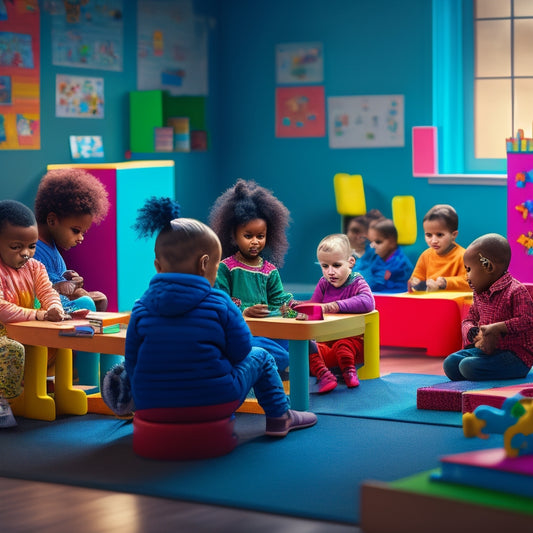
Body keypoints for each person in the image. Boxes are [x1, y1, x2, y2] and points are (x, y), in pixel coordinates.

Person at [114, 197, 317, 437]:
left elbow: (131, 360)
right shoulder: (220, 302)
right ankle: (280, 417)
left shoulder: (140, 307)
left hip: (152, 407)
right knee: (261, 356)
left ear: (158, 266)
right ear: (204, 264)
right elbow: (241, 351)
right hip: (214, 402)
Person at [208, 179, 295, 372]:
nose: (255, 242)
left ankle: (282, 362)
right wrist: (245, 311)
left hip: (267, 332)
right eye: (248, 236)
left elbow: (279, 301)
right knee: (260, 348)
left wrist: (293, 312)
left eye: (260, 236)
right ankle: (285, 363)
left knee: (294, 339)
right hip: (241, 332)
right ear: (233, 236)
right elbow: (221, 306)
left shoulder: (270, 271)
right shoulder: (225, 268)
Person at [0, 200, 67, 426]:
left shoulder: (35, 267)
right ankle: (3, 399)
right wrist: (38, 315)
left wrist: (54, 307)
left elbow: (47, 292)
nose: (26, 253)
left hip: (26, 330)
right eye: (16, 247)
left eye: (32, 245)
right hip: (4, 333)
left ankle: (38, 385)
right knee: (12, 350)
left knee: (63, 338)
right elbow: (1, 309)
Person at [443, 233, 533, 381]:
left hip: (515, 356)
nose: (467, 277)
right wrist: (471, 331)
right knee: (450, 363)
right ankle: (479, 369)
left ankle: (482, 370)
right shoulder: (479, 293)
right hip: (487, 352)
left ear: (488, 266)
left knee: (467, 366)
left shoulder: (516, 291)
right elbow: (469, 319)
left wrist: (497, 328)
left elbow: (527, 321)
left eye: (469, 270)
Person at [34, 168, 110, 313]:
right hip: (46, 307)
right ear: (52, 220)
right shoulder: (32, 248)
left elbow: (55, 278)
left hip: (59, 299)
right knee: (85, 300)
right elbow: (34, 294)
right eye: (75, 230)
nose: (80, 238)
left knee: (100, 298)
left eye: (83, 232)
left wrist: (68, 279)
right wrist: (68, 288)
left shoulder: (51, 246)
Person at [306, 234, 375, 393]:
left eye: (336, 265)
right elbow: (314, 304)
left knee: (343, 346)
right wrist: (293, 306)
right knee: (305, 346)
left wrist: (335, 306)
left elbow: (368, 302)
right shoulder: (324, 283)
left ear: (350, 262)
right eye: (324, 266)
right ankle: (324, 374)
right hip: (326, 341)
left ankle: (349, 372)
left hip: (352, 343)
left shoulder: (357, 282)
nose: (330, 272)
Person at [408, 204, 470, 292]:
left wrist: (445, 283)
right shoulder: (426, 255)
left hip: (454, 303)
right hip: (431, 301)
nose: (433, 241)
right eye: (428, 235)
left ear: (453, 235)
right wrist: (414, 282)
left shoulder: (463, 256)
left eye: (439, 235)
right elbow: (416, 279)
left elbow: (470, 283)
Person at [363, 218, 413, 293]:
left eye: (378, 242)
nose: (372, 245)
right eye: (371, 242)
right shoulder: (376, 258)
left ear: (392, 243)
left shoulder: (401, 263)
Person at [345, 209, 384, 278]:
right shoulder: (340, 254)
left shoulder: (375, 254)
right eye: (355, 231)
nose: (359, 235)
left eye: (364, 231)